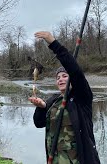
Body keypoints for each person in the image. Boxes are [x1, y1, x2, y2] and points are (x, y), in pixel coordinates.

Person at [29, 31, 100, 164]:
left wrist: (54, 44)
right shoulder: (53, 100)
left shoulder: (81, 97)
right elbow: (39, 123)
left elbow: (75, 71)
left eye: (65, 76)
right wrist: (42, 108)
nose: (61, 79)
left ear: (71, 78)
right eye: (58, 77)